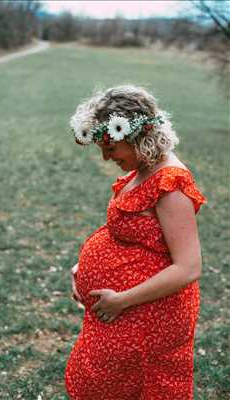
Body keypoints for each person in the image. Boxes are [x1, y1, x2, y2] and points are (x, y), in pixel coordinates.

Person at [65, 85, 207, 400]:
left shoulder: (171, 186)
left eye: (111, 148)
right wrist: (85, 265)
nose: (105, 157)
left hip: (150, 316)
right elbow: (129, 229)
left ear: (136, 137)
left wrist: (122, 299)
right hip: (125, 311)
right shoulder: (143, 169)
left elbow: (188, 268)